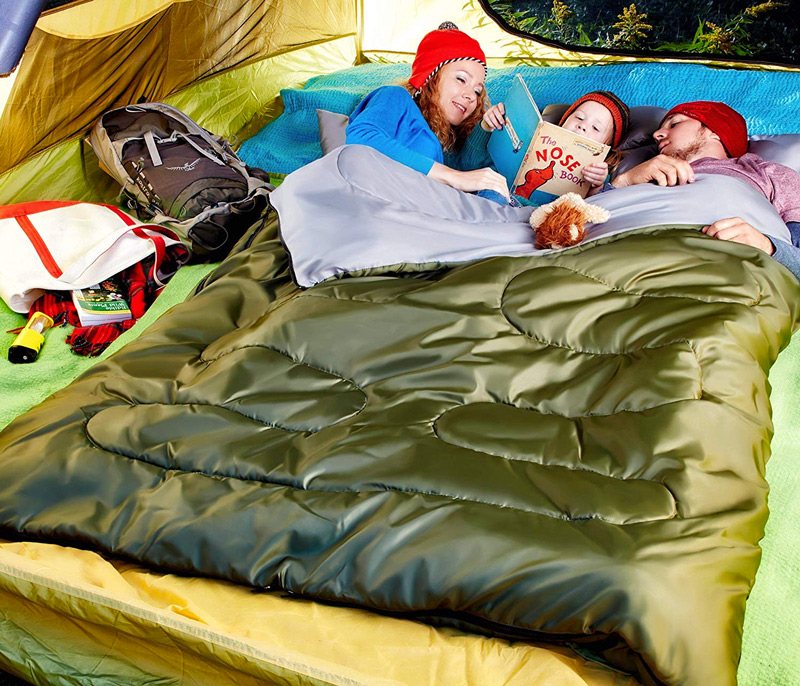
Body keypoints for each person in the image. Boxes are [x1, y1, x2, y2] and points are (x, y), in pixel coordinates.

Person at [607, 101, 800, 278]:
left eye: (674, 124)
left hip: (719, 267)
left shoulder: (765, 172)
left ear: (715, 132)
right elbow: (582, 225)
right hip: (628, 259)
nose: (657, 135)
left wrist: (768, 247)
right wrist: (624, 182)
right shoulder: (640, 174)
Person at [345, 22, 510, 201]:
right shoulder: (395, 97)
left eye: (477, 91)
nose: (471, 95)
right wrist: (452, 177)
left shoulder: (443, 138)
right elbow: (360, 137)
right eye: (461, 79)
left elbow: (467, 169)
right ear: (430, 76)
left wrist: (484, 127)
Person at [482, 90, 630, 196]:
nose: (582, 126)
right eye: (578, 117)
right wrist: (487, 126)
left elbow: (593, 203)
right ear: (563, 121)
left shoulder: (597, 172)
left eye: (596, 128)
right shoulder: (530, 140)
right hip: (493, 194)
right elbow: (470, 165)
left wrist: (598, 184)